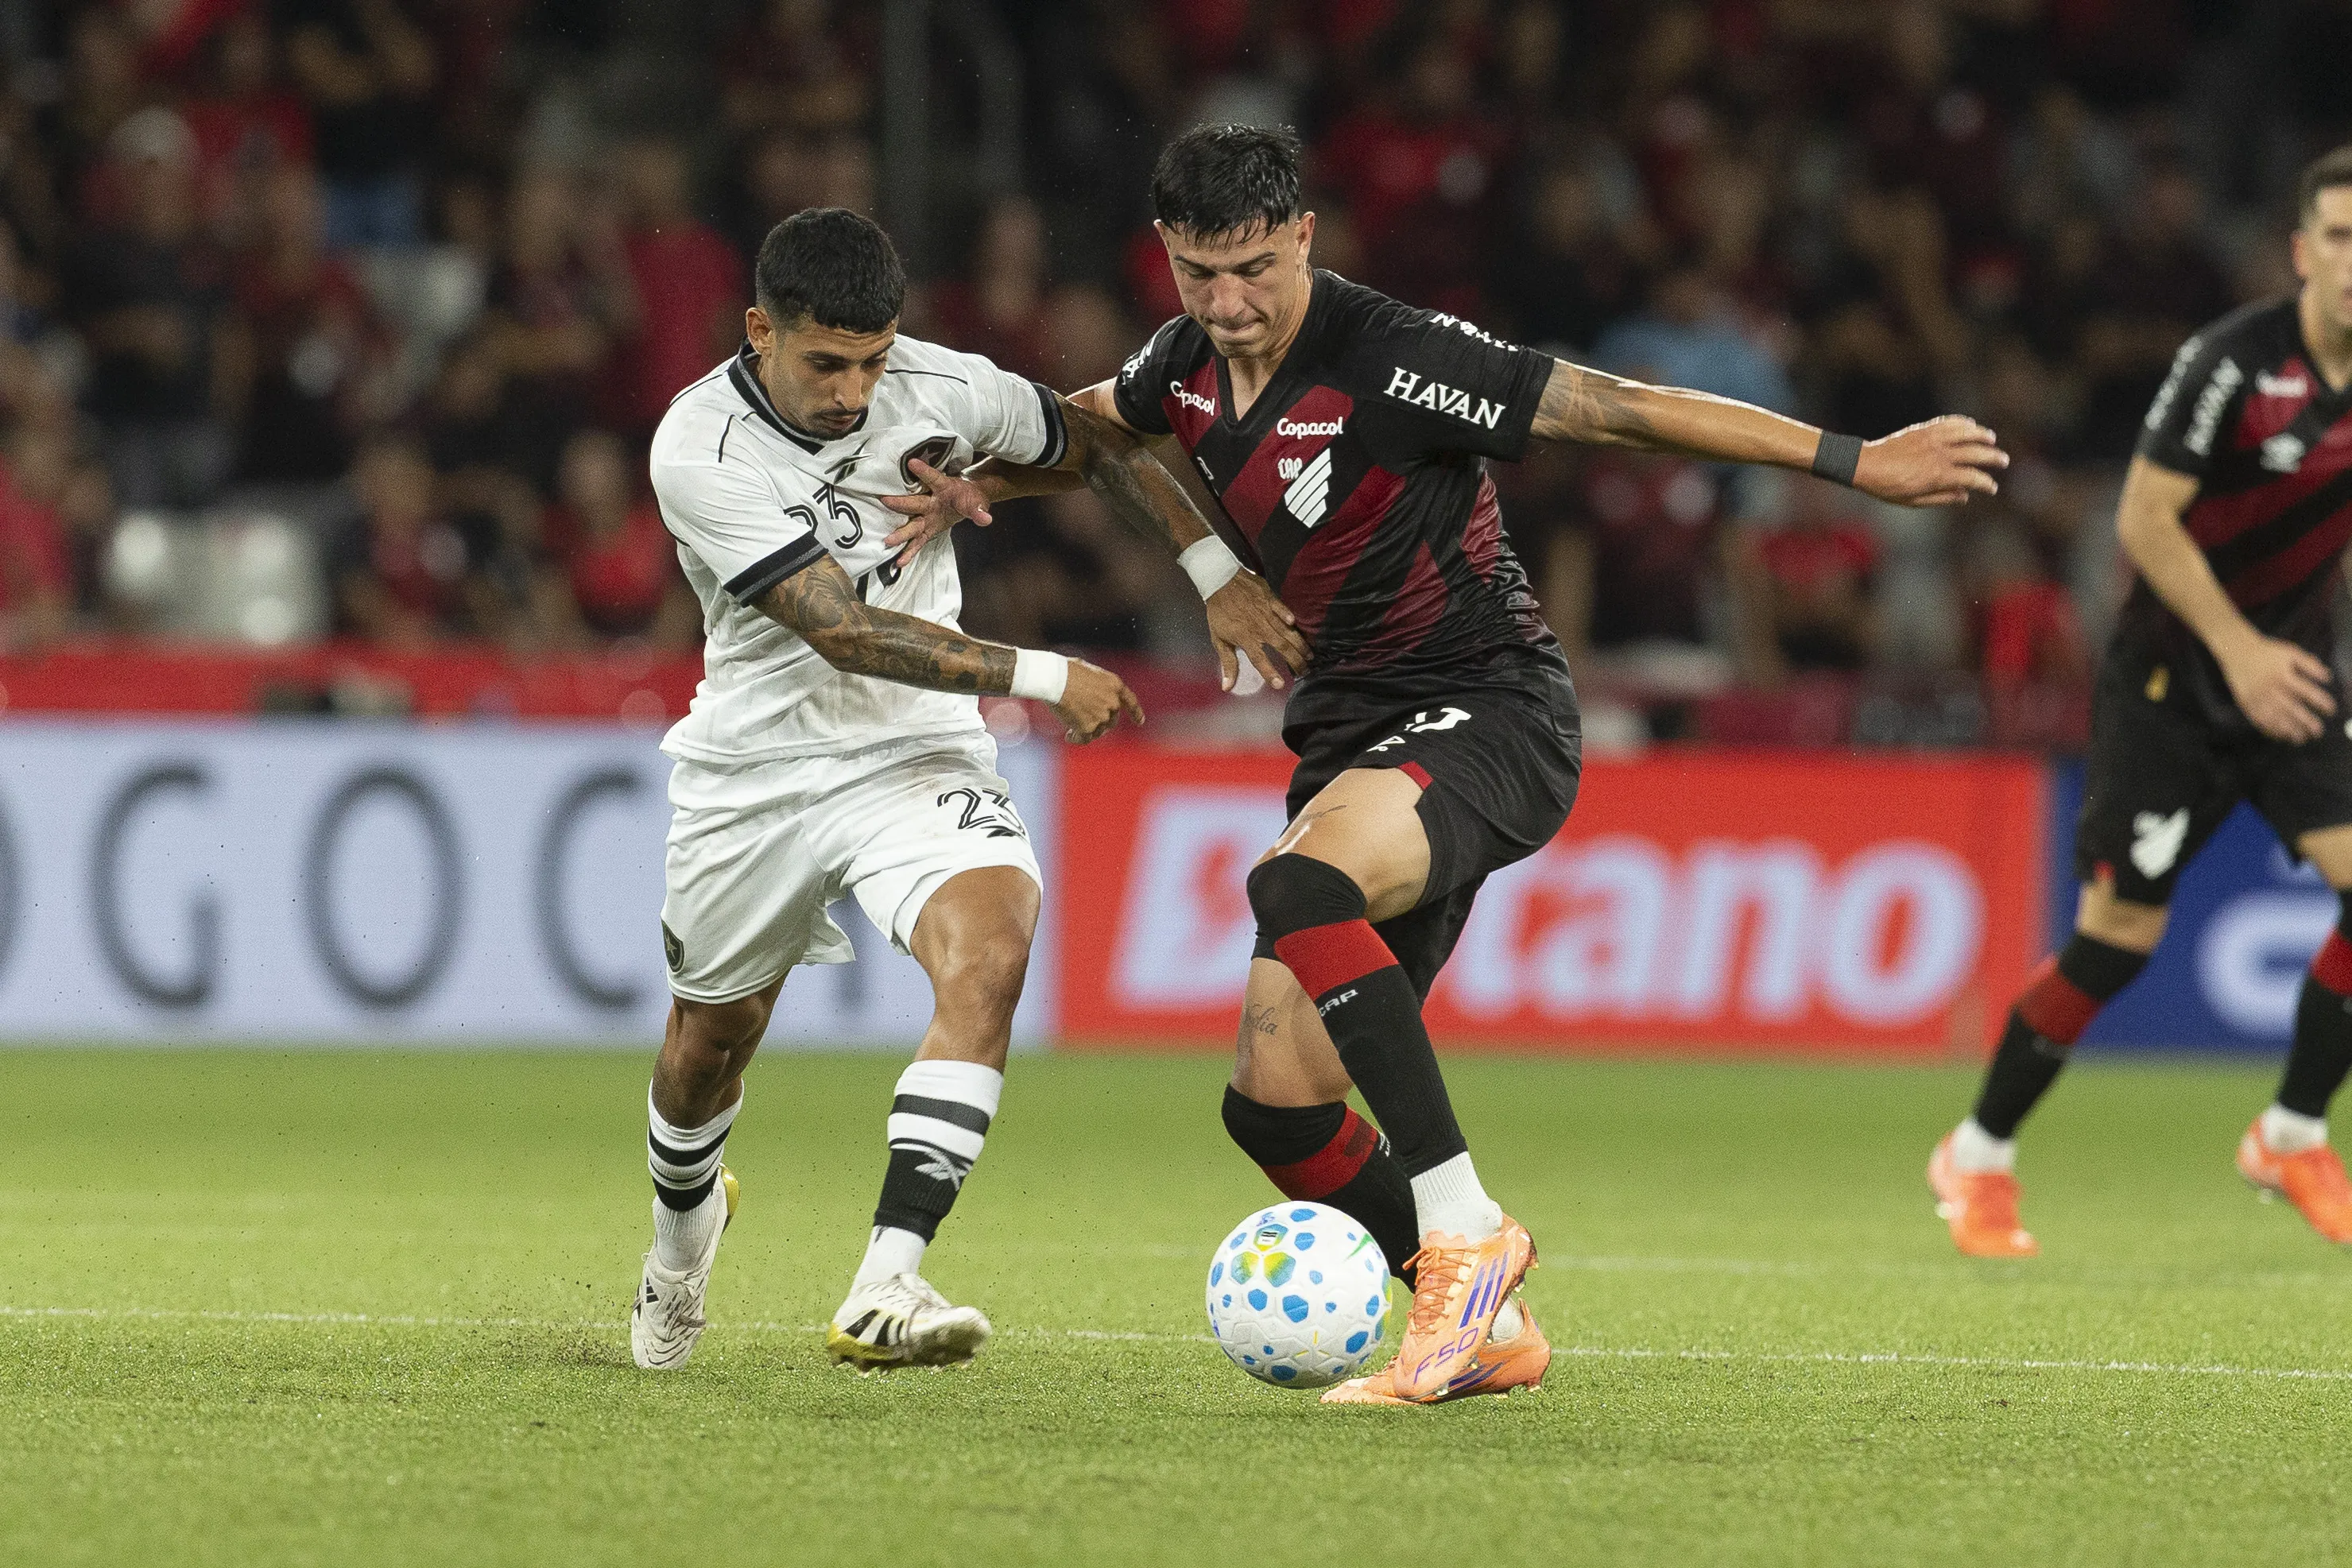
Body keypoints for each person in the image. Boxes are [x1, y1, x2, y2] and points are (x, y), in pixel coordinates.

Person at [891, 126, 2004, 1404]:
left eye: (1252, 269)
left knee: (1297, 889)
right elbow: (1100, 429)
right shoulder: (1186, 361)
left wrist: (1855, 462)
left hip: (1490, 712)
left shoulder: (1396, 355)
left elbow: (1616, 407)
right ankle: (1481, 1327)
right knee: (1276, 1104)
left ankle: (1468, 1239)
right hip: (1350, 738)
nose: (1229, 304)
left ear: (1303, 236)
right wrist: (979, 486)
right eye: (1199, 275)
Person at [631, 207, 1301, 1374]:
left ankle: (888, 1279)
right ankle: (680, 1245)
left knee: (991, 946)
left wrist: (1212, 573)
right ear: (760, 330)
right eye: (825, 364)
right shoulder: (698, 446)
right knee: (709, 1044)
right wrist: (1043, 675)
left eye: (873, 363)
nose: (854, 393)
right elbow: (837, 629)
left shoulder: (938, 386)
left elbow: (1107, 437)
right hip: (757, 772)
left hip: (917, 750)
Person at [1930, 147, 2352, 1257]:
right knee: (2117, 941)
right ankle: (1976, 1154)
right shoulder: (2229, 364)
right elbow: (2143, 522)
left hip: (2298, 681)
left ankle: (2290, 1131)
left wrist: (2280, 657)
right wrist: (2239, 652)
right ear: (2303, 253)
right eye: (2340, 241)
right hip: (2173, 686)